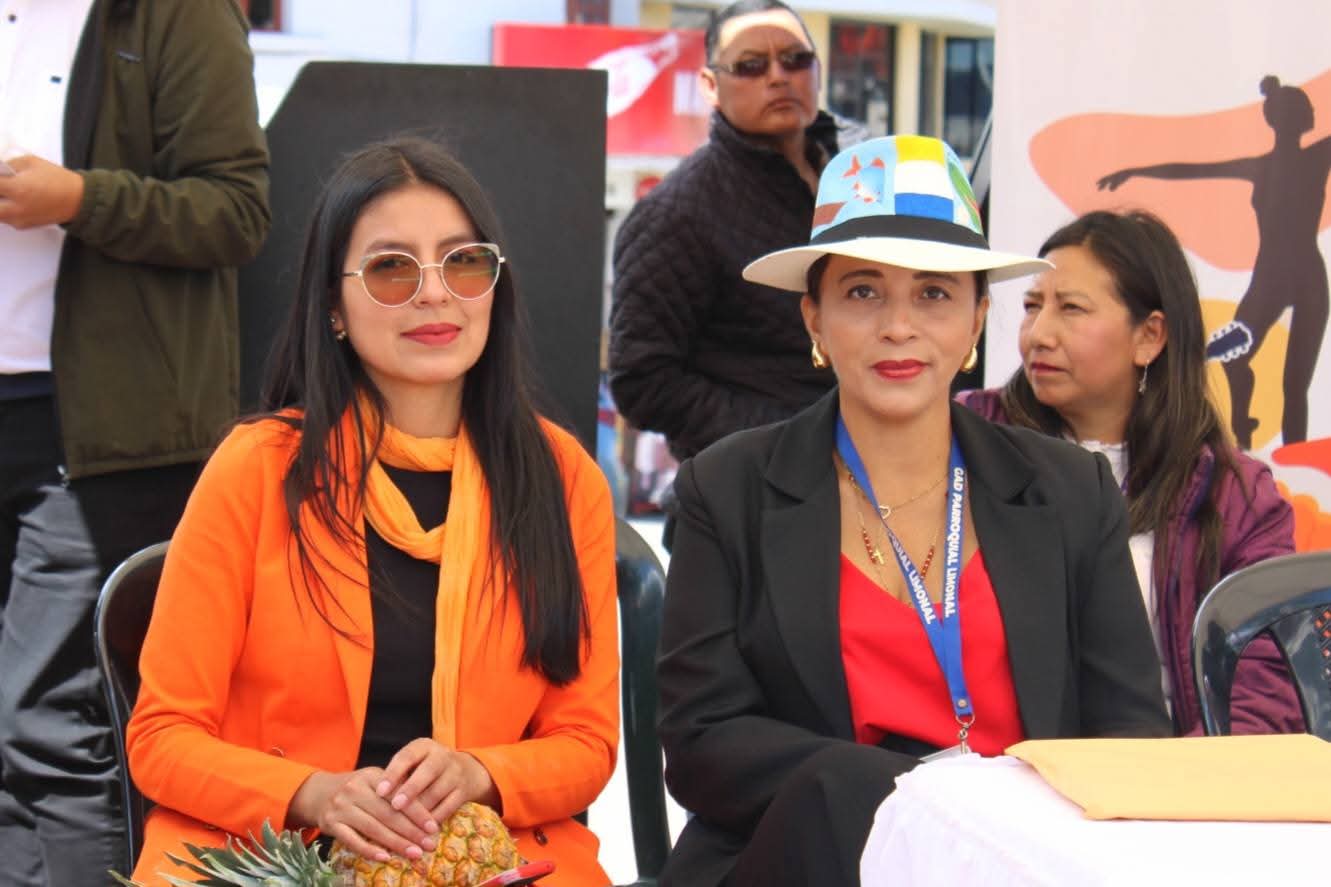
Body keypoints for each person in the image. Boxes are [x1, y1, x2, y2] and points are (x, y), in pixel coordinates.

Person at [656, 135, 1172, 887]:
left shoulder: (1071, 491)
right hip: (813, 860)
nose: (898, 327)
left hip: (1021, 862)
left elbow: (1132, 732)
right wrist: (916, 797)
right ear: (813, 319)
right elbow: (701, 745)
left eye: (933, 293)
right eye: (863, 292)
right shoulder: (727, 488)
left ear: (976, 320)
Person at [123, 138, 619, 886]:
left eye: (463, 262)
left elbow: (585, 741)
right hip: (267, 852)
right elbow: (161, 736)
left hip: (489, 853)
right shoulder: (257, 469)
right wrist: (313, 793)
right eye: (392, 268)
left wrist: (481, 772)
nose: (434, 293)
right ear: (333, 307)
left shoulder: (562, 476)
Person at [0, 1, 270, 883]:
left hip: (104, 433)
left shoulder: (173, 14)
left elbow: (236, 211)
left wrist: (79, 198)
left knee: (53, 726)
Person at [958, 209, 1302, 735]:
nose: (1038, 334)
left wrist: (1172, 777)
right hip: (996, 762)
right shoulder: (968, 438)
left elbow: (1265, 690)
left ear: (1150, 336)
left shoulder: (1236, 496)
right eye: (1032, 306)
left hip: (1167, 768)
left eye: (1071, 308)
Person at [609, 0, 855, 472]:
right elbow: (641, 381)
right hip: (753, 491)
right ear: (710, 85)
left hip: (881, 473)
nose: (778, 77)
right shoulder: (674, 215)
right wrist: (792, 439)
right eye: (751, 66)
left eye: (796, 59)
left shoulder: (861, 171)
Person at [1097, 76, 1331, 449]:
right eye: (1308, 109)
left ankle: (1286, 456)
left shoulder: (1299, 160)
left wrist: (1134, 172)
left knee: (1292, 383)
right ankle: (1244, 432)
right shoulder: (1294, 161)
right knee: (1253, 366)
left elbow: (1190, 169)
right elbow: (1189, 169)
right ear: (1296, 118)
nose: (1313, 114)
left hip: (1300, 279)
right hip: (1279, 278)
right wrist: (1135, 171)